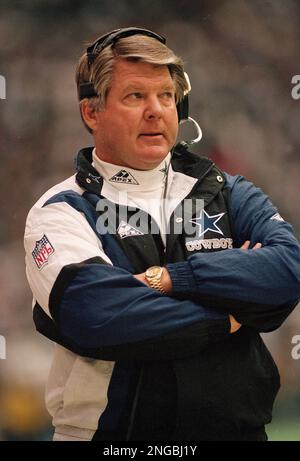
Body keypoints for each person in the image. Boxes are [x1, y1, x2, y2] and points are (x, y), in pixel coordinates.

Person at [24, 27, 300, 442]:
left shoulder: (226, 189)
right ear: (91, 113)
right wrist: (231, 314)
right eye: (135, 96)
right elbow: (98, 316)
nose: (156, 110)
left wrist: (175, 280)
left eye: (166, 96)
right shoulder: (61, 209)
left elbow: (289, 270)